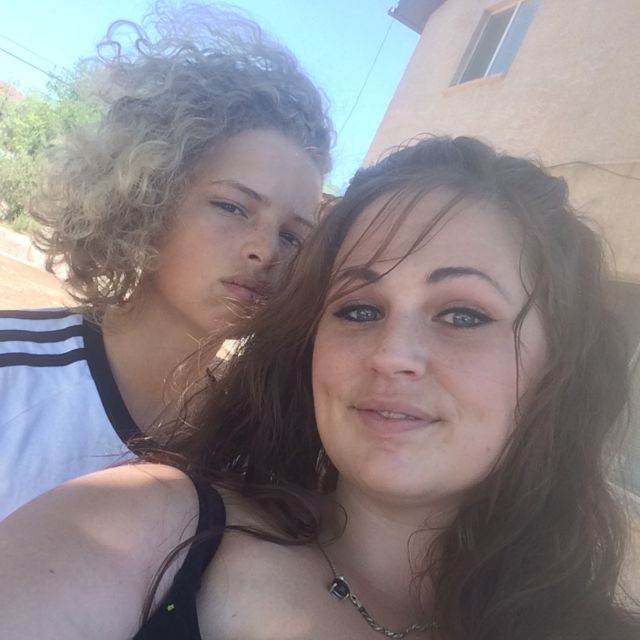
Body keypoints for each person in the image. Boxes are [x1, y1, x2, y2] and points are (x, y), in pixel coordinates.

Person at [1, 136, 638, 639]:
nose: (393, 356)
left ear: (561, 364)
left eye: (463, 315)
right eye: (358, 309)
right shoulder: (147, 529)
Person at [0, 4, 333, 520]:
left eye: (292, 236)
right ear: (151, 194)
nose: (265, 251)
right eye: (232, 207)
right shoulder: (13, 376)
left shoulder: (260, 446)